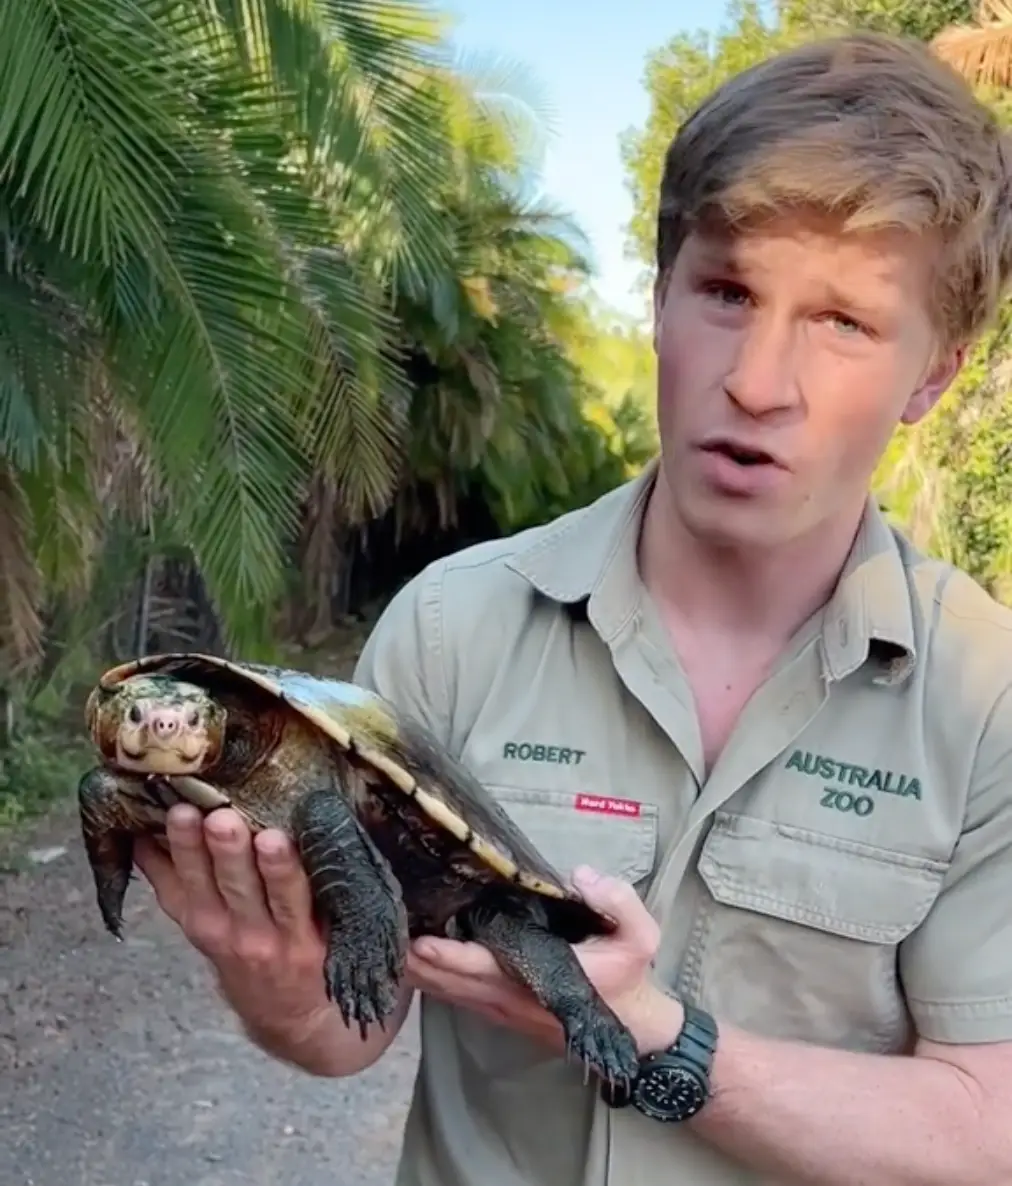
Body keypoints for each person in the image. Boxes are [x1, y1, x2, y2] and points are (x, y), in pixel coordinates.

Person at [134, 30, 1012, 1186]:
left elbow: (984, 1126)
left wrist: (654, 1037)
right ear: (657, 298)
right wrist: (269, 968)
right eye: (725, 289)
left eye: (841, 321)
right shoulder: (451, 630)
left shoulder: (985, 697)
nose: (755, 379)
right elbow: (347, 1030)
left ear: (934, 376)